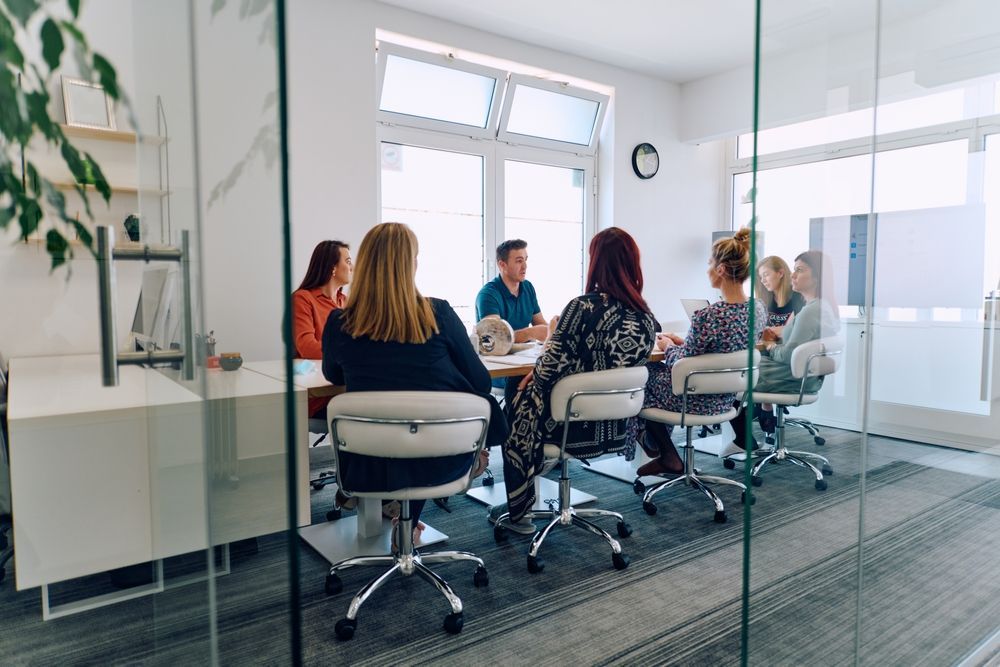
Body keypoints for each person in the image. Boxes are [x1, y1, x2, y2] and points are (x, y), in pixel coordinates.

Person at [323, 222, 508, 539]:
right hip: (441, 456)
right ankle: (406, 523)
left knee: (399, 433)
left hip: (367, 459)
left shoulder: (340, 321)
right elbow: (479, 382)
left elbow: (334, 375)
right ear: (411, 264)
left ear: (365, 265)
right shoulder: (438, 312)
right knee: (432, 425)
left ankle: (388, 506)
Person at [491, 227, 657, 533]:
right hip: (615, 424)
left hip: (569, 425)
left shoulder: (582, 308)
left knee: (515, 406)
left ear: (596, 262)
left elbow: (549, 369)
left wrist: (545, 355)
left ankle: (521, 510)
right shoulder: (645, 317)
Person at [633, 228, 766, 476]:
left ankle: (664, 452)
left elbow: (683, 362)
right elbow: (719, 350)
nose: (707, 269)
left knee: (644, 374)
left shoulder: (708, 315)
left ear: (721, 270)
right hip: (727, 399)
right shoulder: (757, 309)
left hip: (695, 399)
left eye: (709, 263)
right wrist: (682, 342)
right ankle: (660, 450)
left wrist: (669, 346)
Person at [731, 250, 840, 445]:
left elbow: (789, 355)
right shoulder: (819, 307)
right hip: (798, 376)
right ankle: (750, 429)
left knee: (729, 374)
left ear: (816, 277)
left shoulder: (810, 311)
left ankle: (742, 440)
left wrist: (770, 345)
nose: (793, 275)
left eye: (799, 270)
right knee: (737, 370)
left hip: (791, 378)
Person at [475, 240, 550, 410]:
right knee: (525, 379)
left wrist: (550, 329)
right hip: (500, 369)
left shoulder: (528, 287)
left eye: (526, 259)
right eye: (518, 261)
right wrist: (530, 333)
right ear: (502, 264)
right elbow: (495, 340)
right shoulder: (488, 294)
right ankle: (514, 430)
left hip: (523, 362)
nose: (525, 266)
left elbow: (543, 328)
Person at [292, 240, 352, 418]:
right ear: (332, 267)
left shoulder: (346, 301)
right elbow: (306, 346)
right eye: (348, 262)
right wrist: (349, 354)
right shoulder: (303, 299)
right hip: (320, 395)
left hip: (344, 387)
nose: (352, 267)